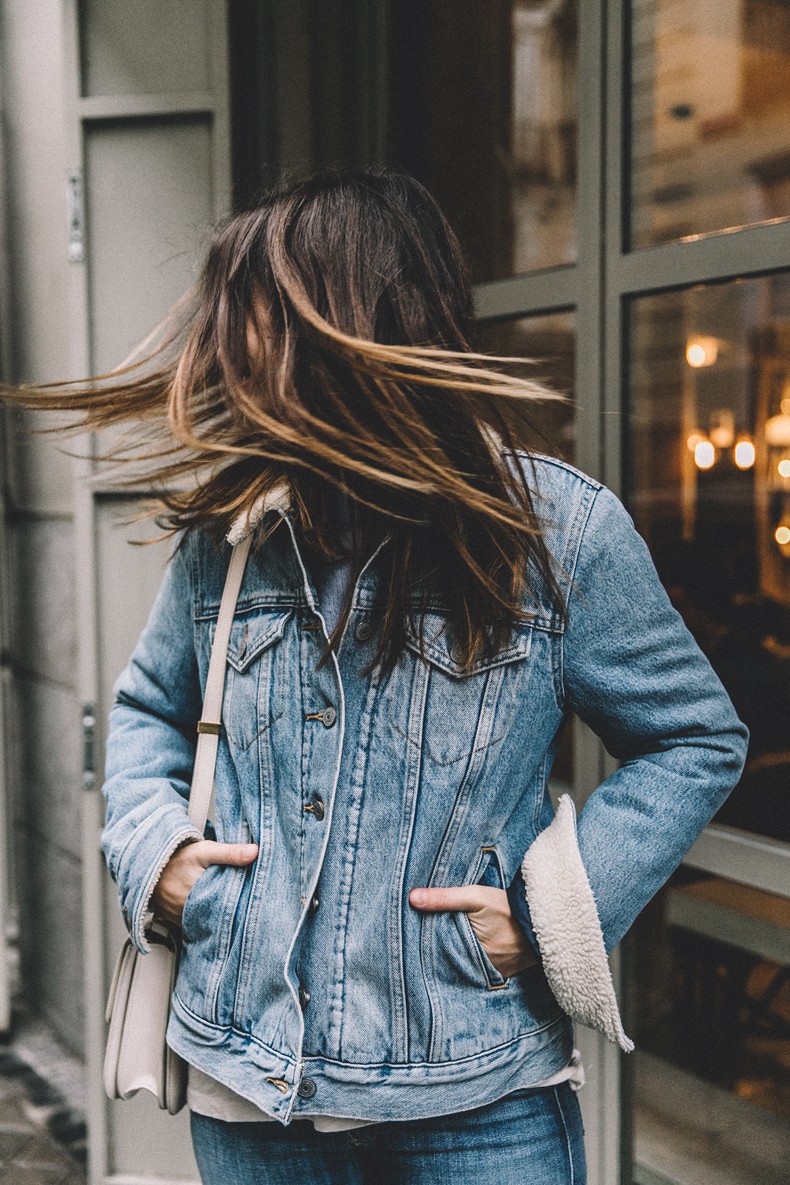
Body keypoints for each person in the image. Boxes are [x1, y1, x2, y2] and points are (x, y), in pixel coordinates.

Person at [9, 169, 748, 1185]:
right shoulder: (231, 534)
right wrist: (158, 856)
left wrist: (547, 922)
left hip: (477, 1102)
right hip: (250, 1095)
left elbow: (694, 738)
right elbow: (147, 709)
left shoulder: (558, 533)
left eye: (251, 314)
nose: (221, 346)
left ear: (355, 319)